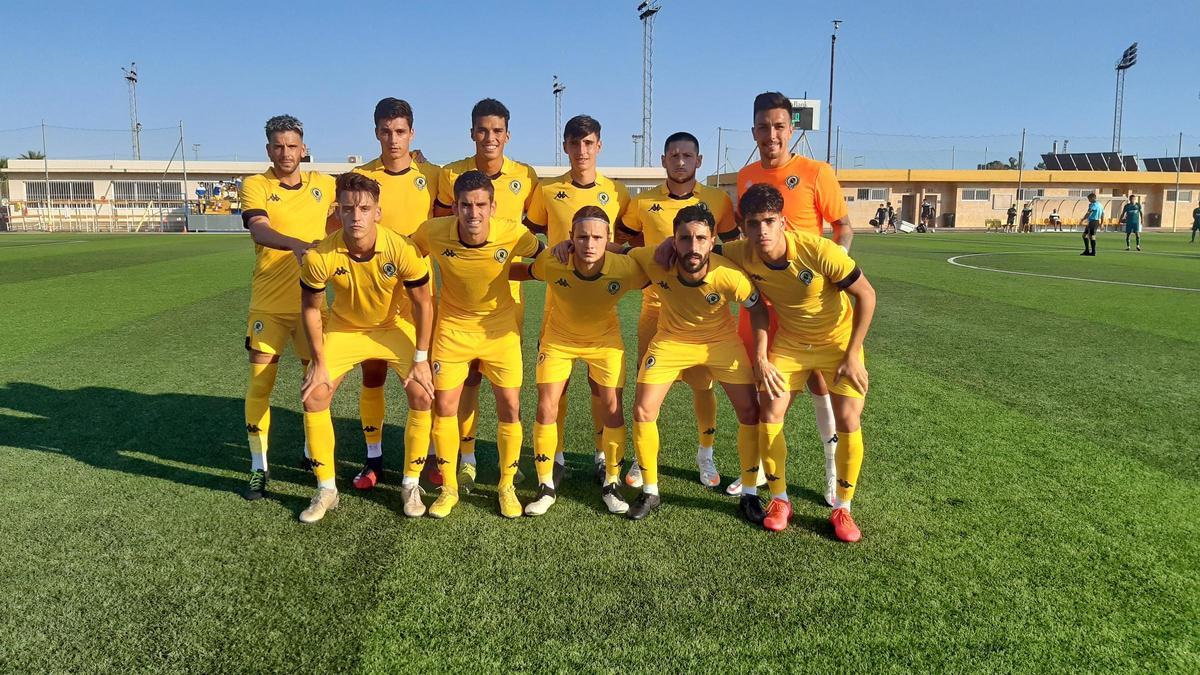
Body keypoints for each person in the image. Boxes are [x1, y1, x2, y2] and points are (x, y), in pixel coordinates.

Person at [723, 184, 877, 540]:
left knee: (849, 418)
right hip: (790, 344)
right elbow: (702, 248)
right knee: (769, 412)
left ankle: (843, 508)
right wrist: (761, 356)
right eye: (753, 223)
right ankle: (780, 499)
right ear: (743, 226)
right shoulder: (741, 252)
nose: (761, 231)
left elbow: (866, 295)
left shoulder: (818, 251)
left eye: (769, 221)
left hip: (837, 344)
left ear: (784, 221)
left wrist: (853, 354)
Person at [731, 91, 854, 502]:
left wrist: (835, 274)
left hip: (808, 298)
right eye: (764, 127)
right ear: (754, 131)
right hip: (763, 298)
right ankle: (763, 472)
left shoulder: (817, 171)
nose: (772, 135)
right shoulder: (745, 176)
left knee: (821, 381)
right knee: (762, 382)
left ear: (791, 129)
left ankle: (833, 469)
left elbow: (843, 227)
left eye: (779, 126)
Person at [296, 172, 435, 523]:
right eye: (347, 209)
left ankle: (410, 483)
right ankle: (327, 489)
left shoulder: (401, 248)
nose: (356, 216)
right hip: (345, 329)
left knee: (422, 391)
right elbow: (312, 309)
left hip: (392, 327)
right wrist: (319, 362)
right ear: (337, 212)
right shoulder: (320, 255)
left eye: (364, 208)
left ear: (377, 212)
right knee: (315, 394)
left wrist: (421, 359)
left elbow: (423, 304)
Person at [410, 170, 545, 519]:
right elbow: (406, 254)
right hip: (452, 330)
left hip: (500, 330)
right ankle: (449, 488)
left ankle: (506, 486)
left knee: (510, 408)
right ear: (455, 207)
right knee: (444, 407)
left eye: (481, 205)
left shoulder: (513, 233)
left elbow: (543, 256)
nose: (474, 213)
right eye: (466, 205)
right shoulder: (433, 231)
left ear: (493, 206)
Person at [625, 205, 771, 522]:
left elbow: (759, 309)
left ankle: (749, 493)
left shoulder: (728, 275)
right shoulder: (654, 260)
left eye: (701, 239)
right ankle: (650, 491)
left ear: (712, 239)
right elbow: (623, 252)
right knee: (643, 410)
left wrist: (759, 354)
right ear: (673, 241)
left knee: (750, 411)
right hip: (670, 341)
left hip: (720, 343)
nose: (693, 247)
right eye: (685, 238)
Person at [618, 131, 738, 489]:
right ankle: (643, 461)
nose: (681, 161)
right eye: (674, 155)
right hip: (656, 310)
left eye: (688, 155)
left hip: (705, 316)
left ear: (699, 161)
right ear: (663, 160)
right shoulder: (643, 203)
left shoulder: (717, 200)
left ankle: (706, 455)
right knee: (647, 389)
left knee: (703, 388)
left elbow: (731, 248)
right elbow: (627, 243)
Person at [512, 206, 649, 515]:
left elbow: (658, 270)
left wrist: (623, 248)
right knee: (546, 406)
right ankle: (546, 485)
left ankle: (611, 483)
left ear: (608, 239)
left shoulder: (624, 267)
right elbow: (523, 271)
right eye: (582, 237)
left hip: (604, 343)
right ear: (570, 239)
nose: (589, 244)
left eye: (597, 237)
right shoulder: (553, 261)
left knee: (612, 408)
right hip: (559, 340)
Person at [434, 99, 540, 491]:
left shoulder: (525, 176)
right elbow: (442, 228)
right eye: (482, 130)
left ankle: (507, 470)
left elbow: (533, 241)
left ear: (507, 135)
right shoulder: (450, 175)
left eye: (497, 131)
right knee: (466, 383)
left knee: (505, 391)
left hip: (507, 302)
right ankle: (465, 457)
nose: (489, 138)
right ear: (472, 133)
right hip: (460, 302)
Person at [527, 114, 630, 485]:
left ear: (598, 145)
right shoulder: (548, 190)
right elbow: (534, 233)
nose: (582, 150)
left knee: (601, 389)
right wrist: (553, 250)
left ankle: (603, 455)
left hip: (601, 306)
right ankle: (556, 455)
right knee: (557, 387)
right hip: (558, 305)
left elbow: (626, 243)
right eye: (575, 143)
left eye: (589, 143)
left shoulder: (617, 192)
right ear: (566, 146)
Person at [239, 114, 337, 501]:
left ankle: (313, 454)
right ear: (268, 149)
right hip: (268, 307)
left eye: (292, 146)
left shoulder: (323, 185)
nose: (285, 153)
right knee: (260, 386)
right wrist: (296, 244)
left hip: (312, 306)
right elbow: (258, 228)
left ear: (304, 148)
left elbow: (361, 190)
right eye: (278, 146)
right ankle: (257, 469)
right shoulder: (255, 185)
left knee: (316, 384)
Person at [346, 98, 441, 491]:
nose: (393, 139)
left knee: (425, 379)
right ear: (375, 133)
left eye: (400, 131)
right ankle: (374, 460)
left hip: (420, 295)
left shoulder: (432, 175)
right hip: (373, 296)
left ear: (412, 134)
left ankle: (431, 457)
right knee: (373, 374)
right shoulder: (359, 177)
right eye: (385, 131)